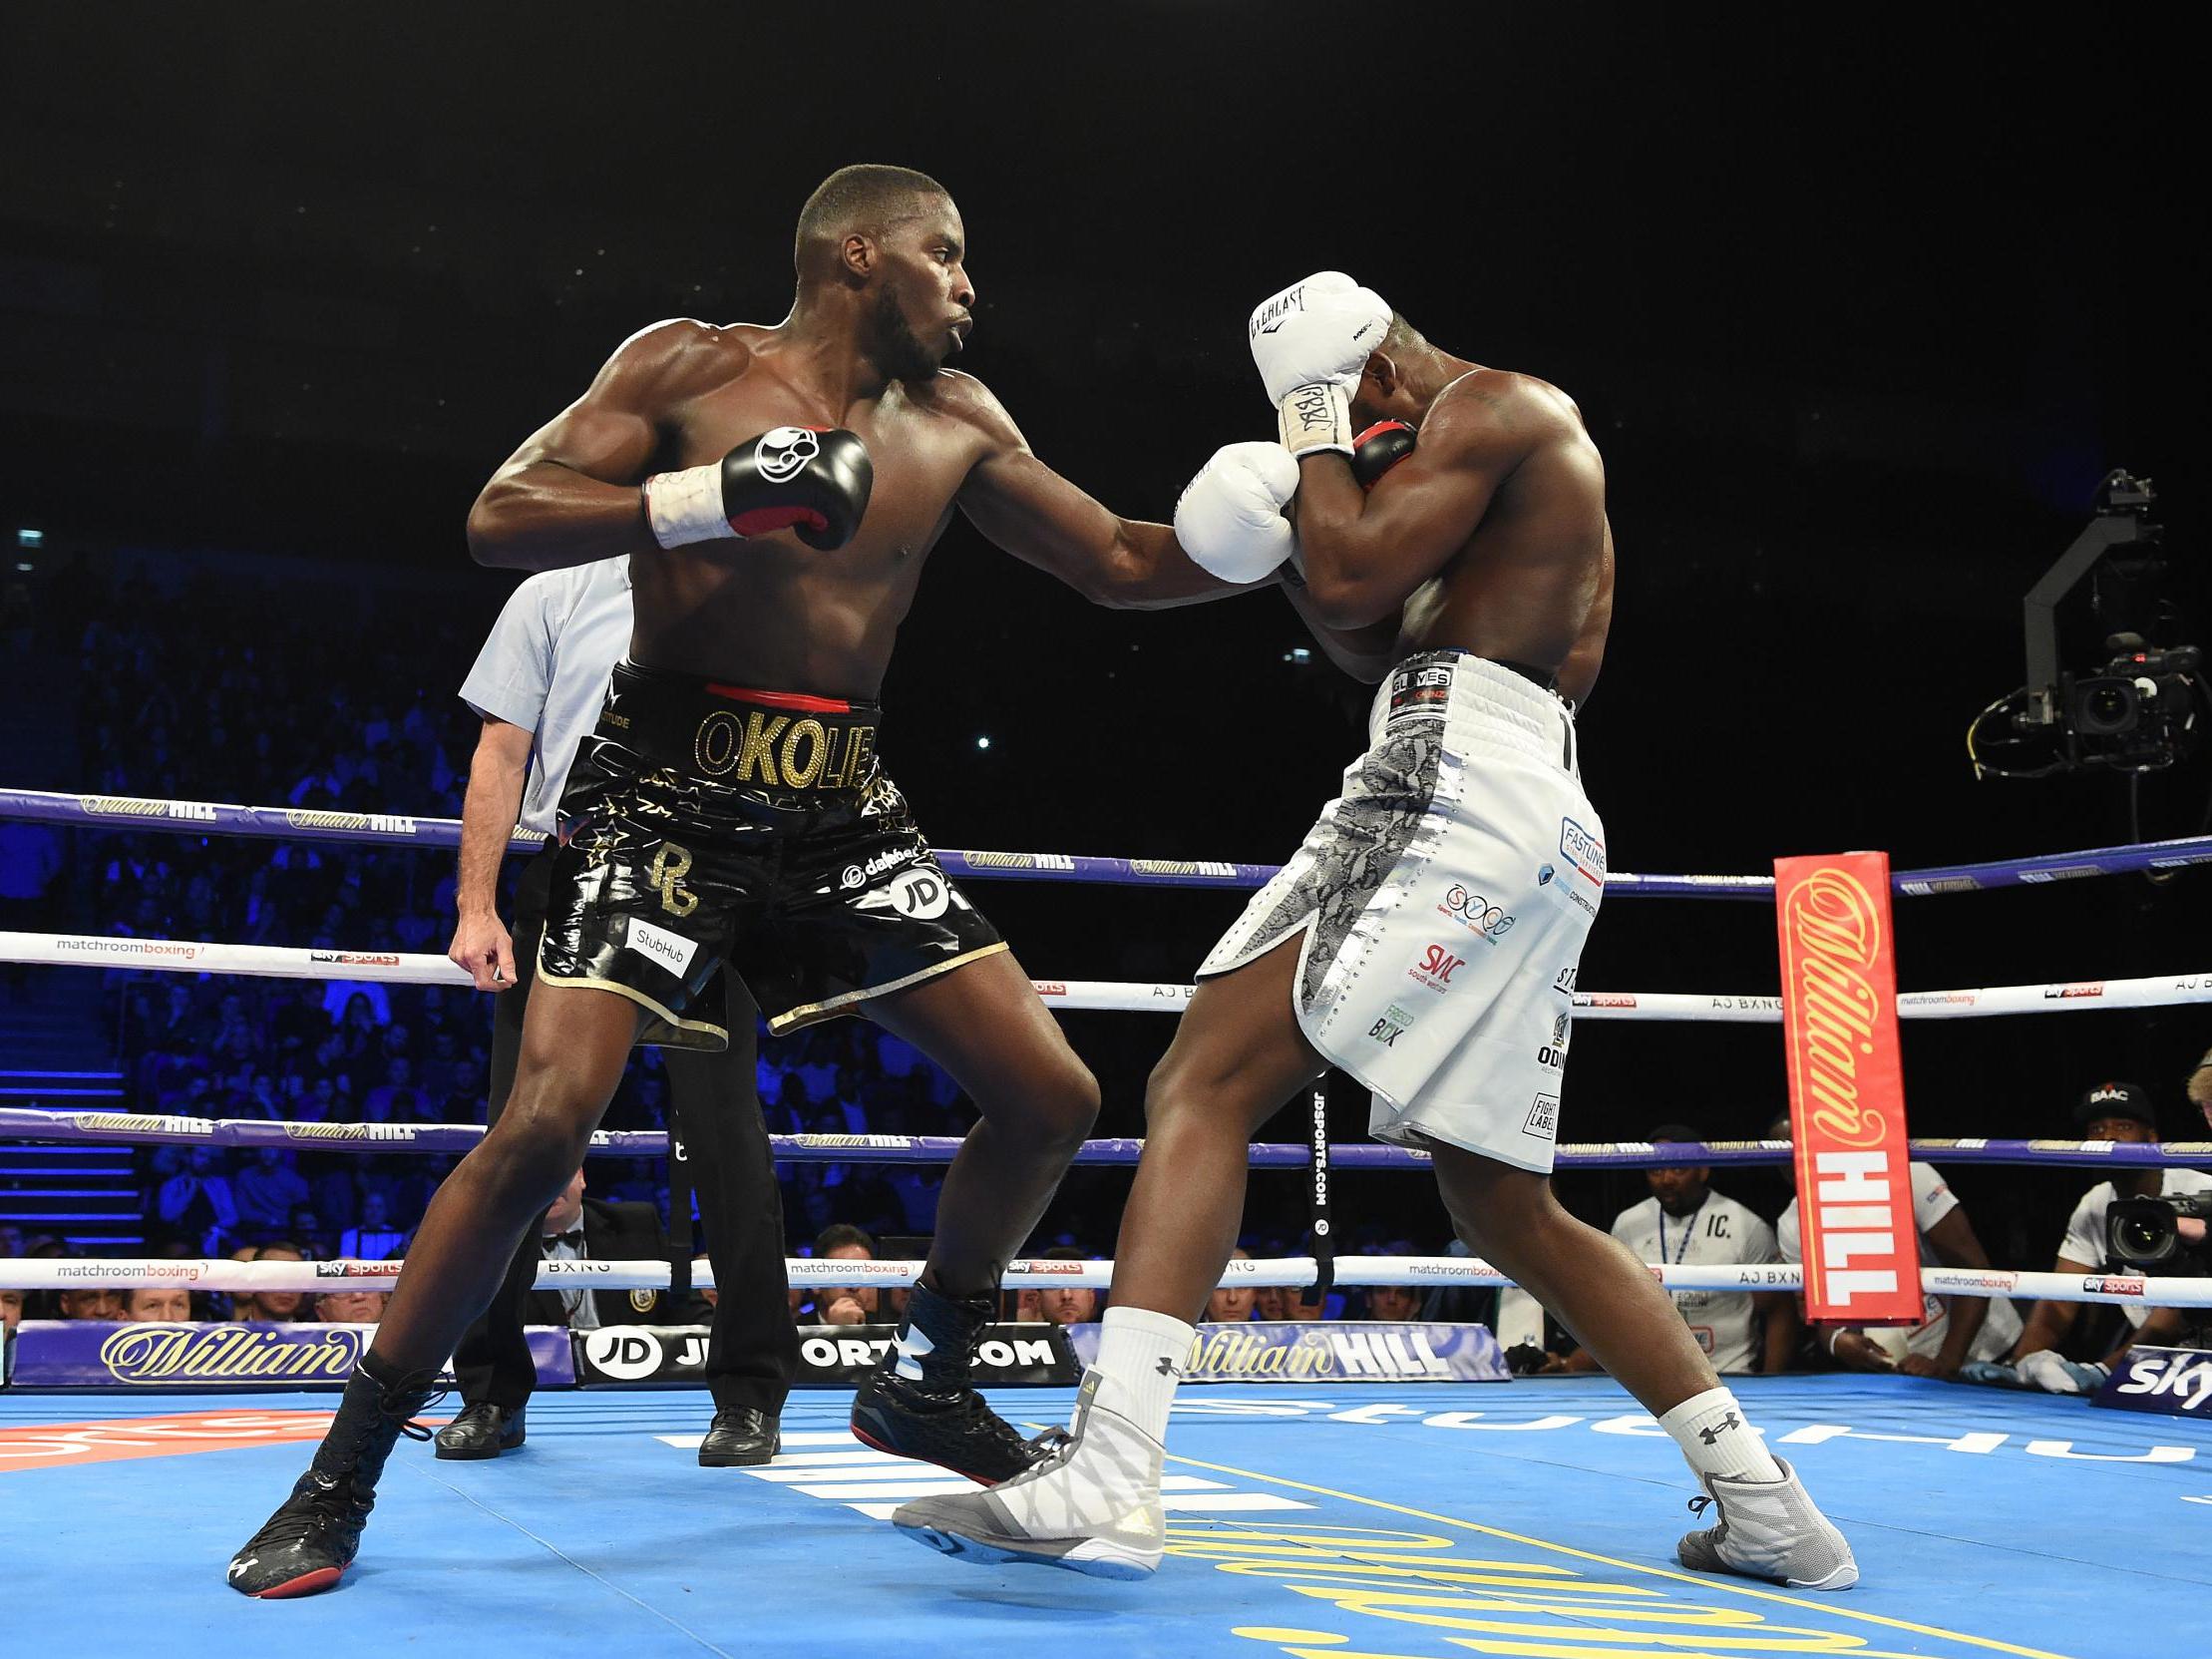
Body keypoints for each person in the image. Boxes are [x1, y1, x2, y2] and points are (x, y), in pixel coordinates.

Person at [227, 162, 1242, 1599]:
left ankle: (925, 1379)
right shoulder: (688, 365)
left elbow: (1127, 562)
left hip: (846, 802)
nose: (970, 286)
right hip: (663, 793)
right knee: (544, 1122)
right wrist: (712, 494)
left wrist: (1292, 533)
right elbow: (501, 513)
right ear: (857, 256)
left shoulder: (958, 420)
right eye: (945, 256)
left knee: (1052, 1094)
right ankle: (339, 1478)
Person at [896, 273, 1855, 1590]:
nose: (1342, 446)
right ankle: (1769, 1507)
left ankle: (1115, 1463)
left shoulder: (1502, 407)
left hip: (1452, 773)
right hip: (1524, 800)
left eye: (1344, 413)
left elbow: (1358, 567)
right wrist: (1281, 532)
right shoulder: (1469, 463)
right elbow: (1360, 621)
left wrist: (1308, 439)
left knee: (1201, 1077)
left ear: (1379, 370)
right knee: (1504, 1202)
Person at [436, 552, 798, 1466]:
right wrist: (476, 907)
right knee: (522, 1137)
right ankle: (491, 1390)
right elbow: (502, 751)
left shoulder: (755, 587)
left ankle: (751, 1393)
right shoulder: (554, 595)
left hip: (713, 879)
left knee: (727, 1138)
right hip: (575, 869)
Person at [1981, 1081, 2212, 1393]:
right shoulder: (2095, 1203)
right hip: (2157, 1362)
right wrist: (2019, 1365)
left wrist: (2105, 1371)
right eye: (2097, 1128)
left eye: (2124, 1126)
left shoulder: (2199, 1190)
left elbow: (2178, 1310)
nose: (2109, 1137)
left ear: (2152, 1137)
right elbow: (2060, 1298)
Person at [1766, 1114, 2020, 1376]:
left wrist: (1946, 1360)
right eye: (1783, 1158)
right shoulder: (1793, 1224)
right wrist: (1837, 1340)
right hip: (1903, 1370)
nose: (1794, 1165)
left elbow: (1972, 1268)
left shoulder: (1907, 1175)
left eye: (1799, 1150)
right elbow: (1819, 1312)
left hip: (1984, 1349)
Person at [1586, 1126, 1794, 1377]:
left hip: (1729, 1372)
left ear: (1703, 1170)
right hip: (1650, 1377)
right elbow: (1611, 1308)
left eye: (1678, 1168)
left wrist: (1771, 1381)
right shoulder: (1628, 1223)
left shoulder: (1745, 1224)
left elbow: (1779, 1309)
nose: (1667, 1179)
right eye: (1656, 1169)